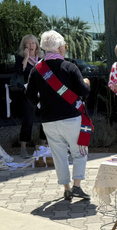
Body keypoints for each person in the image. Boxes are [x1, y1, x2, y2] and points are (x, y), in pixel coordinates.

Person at [26, 30, 91, 200]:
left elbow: (31, 97)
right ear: (60, 48)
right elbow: (84, 91)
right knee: (79, 152)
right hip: (71, 117)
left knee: (59, 156)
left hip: (48, 120)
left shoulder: (36, 70)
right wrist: (87, 83)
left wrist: (42, 107)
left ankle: (66, 188)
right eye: (64, 46)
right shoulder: (70, 67)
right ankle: (77, 186)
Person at [14, 34, 47, 158]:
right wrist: (26, 58)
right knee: (28, 119)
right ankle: (23, 148)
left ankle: (42, 146)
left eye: (33, 43)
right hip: (28, 94)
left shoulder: (42, 58)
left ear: (37, 45)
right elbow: (20, 72)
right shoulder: (20, 58)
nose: (31, 45)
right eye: (28, 43)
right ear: (24, 46)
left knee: (45, 119)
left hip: (43, 93)